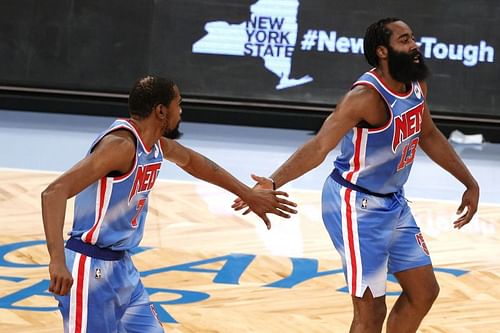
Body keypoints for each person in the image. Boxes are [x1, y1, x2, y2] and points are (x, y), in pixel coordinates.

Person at [233, 18, 479, 333]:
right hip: (354, 205)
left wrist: (469, 181)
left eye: (413, 38)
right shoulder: (365, 97)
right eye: (404, 40)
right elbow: (320, 145)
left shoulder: (416, 86)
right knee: (371, 312)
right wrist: (273, 181)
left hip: (393, 202)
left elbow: (428, 134)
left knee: (424, 292)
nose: (415, 45)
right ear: (382, 51)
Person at [41, 75, 297, 332]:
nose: (181, 111)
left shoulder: (154, 145)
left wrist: (248, 194)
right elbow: (54, 193)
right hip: (90, 267)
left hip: (122, 266)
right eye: (179, 103)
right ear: (161, 111)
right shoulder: (120, 146)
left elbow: (195, 163)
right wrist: (57, 261)